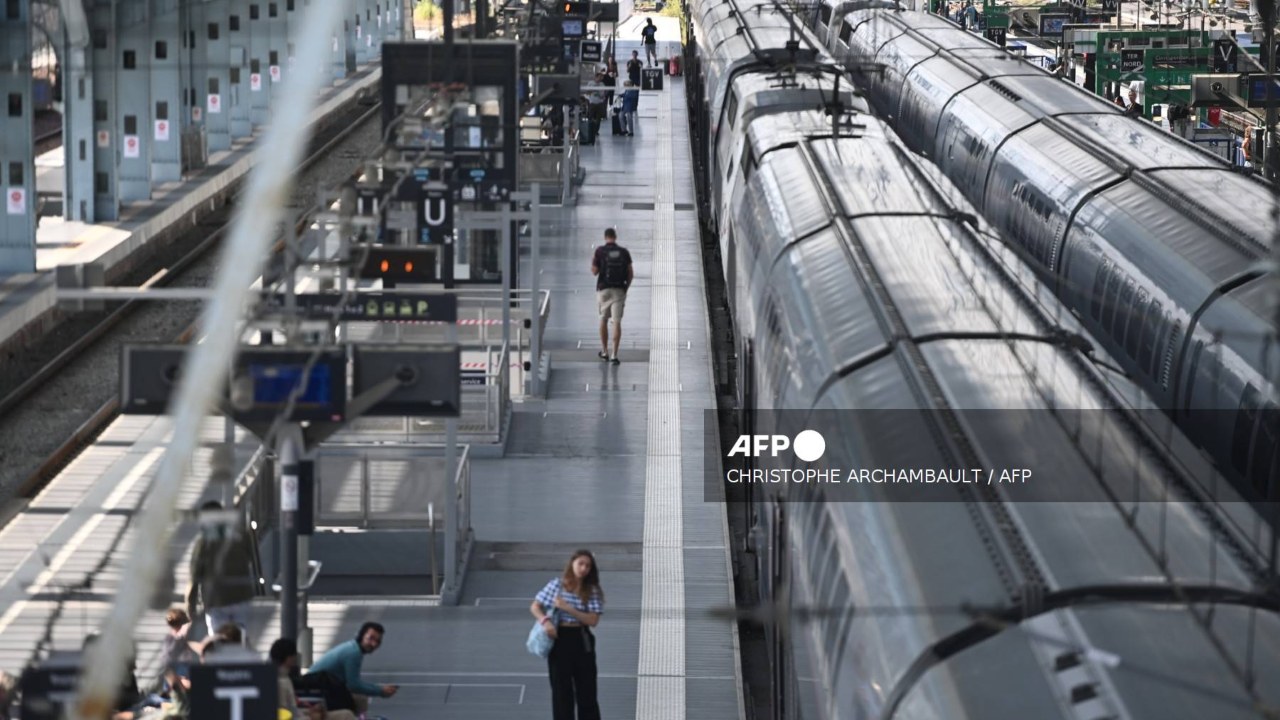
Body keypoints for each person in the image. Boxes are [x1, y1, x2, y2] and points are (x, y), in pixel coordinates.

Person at [529, 550, 605, 720]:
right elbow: (535, 606)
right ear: (572, 564)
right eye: (581, 563)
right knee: (561, 690)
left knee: (587, 689)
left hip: (581, 637)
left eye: (588, 566)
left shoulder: (591, 591)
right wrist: (545, 622)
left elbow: (593, 620)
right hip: (559, 637)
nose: (584, 568)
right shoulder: (557, 585)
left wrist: (567, 608)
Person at [186, 500, 256, 639]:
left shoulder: (203, 542)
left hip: (216, 600)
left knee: (218, 641)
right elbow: (250, 556)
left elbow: (195, 576)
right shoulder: (241, 534)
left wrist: (190, 604)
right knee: (240, 637)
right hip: (241, 596)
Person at [306, 622, 398, 715]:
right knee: (359, 700)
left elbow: (354, 683)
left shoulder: (352, 647)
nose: (374, 644)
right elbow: (354, 685)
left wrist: (379, 689)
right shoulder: (353, 653)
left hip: (324, 687)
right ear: (361, 635)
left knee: (359, 698)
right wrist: (380, 691)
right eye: (371, 638)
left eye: (378, 641)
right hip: (318, 689)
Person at [271, 639, 356, 720]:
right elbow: (284, 714)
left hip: (302, 715)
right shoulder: (281, 682)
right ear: (288, 657)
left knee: (346, 714)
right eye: (294, 655)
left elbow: (292, 710)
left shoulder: (284, 677)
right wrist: (310, 717)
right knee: (346, 716)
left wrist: (310, 711)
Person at [591, 228, 634, 364]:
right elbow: (631, 273)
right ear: (615, 237)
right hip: (619, 290)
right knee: (616, 322)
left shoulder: (599, 251)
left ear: (605, 237)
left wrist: (595, 263)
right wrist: (625, 288)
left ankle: (604, 352)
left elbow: (594, 272)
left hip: (603, 290)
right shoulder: (624, 252)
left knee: (603, 319)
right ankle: (614, 355)